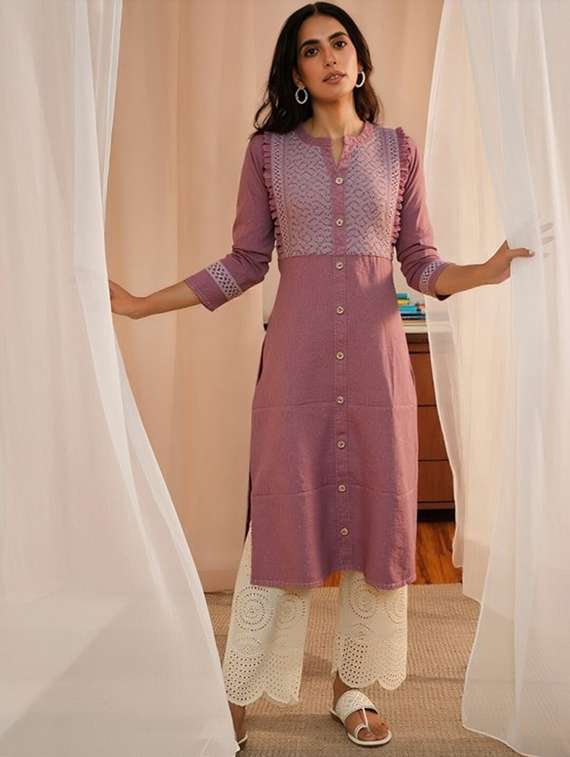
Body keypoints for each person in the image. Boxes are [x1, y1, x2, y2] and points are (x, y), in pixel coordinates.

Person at [109, 2, 535, 749]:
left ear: (359, 59)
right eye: (312, 50)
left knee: (377, 522)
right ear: (297, 73)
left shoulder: (398, 152)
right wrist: (143, 305)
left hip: (378, 374)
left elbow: (421, 263)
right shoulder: (268, 156)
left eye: (340, 42)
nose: (330, 56)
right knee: (283, 521)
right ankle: (238, 692)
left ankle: (353, 688)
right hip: (295, 374)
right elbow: (246, 262)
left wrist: (486, 271)